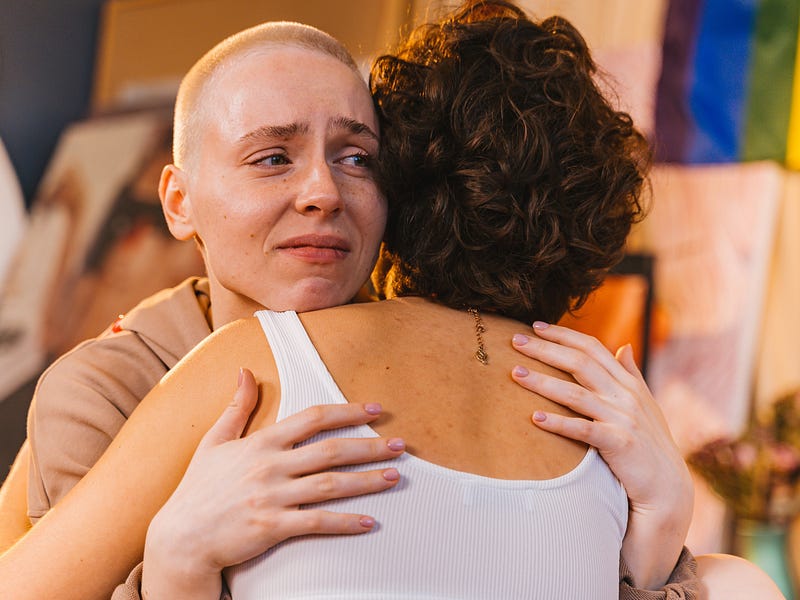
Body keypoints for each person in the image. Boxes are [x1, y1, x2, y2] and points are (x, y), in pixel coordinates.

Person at [0, 6, 779, 600]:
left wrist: (660, 521)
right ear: (179, 201)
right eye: (273, 157)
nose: (321, 193)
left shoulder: (495, 382)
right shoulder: (105, 386)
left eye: (356, 157)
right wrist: (177, 559)